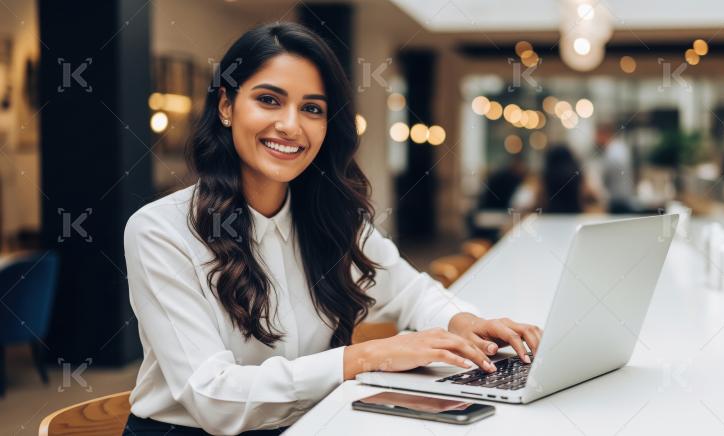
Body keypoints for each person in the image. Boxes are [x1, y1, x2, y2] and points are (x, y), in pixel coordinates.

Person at [123, 23, 542, 435]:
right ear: (226, 106)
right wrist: (365, 357)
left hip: (309, 422)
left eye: (312, 108)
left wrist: (461, 321)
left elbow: (409, 292)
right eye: (269, 100)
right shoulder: (161, 232)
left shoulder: (334, 218)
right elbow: (213, 398)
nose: (291, 126)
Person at [596, 123, 636, 213]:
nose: (596, 139)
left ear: (604, 134)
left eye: (597, 135)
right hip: (626, 196)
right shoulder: (622, 147)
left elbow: (606, 177)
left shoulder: (611, 151)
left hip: (616, 200)